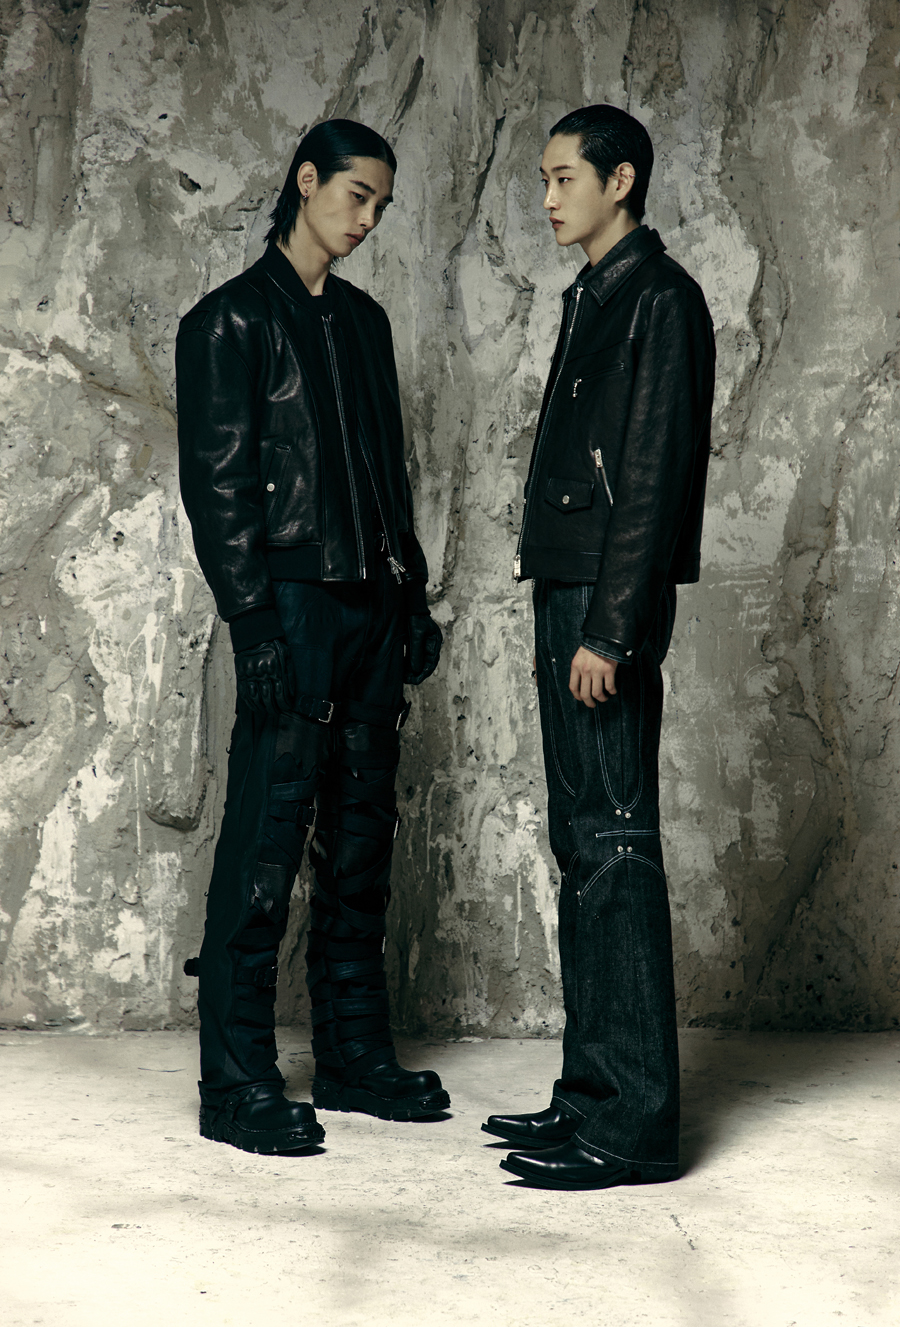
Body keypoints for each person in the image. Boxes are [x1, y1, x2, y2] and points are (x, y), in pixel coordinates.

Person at [176, 119, 448, 1155]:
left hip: (372, 606)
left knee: (362, 837)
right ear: (305, 181)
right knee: (267, 836)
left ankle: (352, 1055)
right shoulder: (229, 322)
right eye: (355, 195)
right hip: (289, 606)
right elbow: (219, 488)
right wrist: (252, 621)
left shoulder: (365, 323)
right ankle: (236, 1081)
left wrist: (411, 596)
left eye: (382, 204)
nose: (367, 218)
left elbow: (389, 472)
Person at [483, 105, 715, 1189]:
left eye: (564, 177)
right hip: (569, 587)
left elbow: (655, 473)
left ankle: (633, 1126)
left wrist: (612, 628)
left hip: (600, 607)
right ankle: (590, 1094)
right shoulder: (598, 292)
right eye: (543, 178)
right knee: (583, 846)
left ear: (620, 181)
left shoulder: (660, 298)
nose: (547, 198)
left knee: (615, 846)